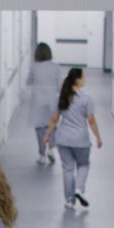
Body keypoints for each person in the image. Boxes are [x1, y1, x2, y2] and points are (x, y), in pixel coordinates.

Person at [43, 68, 102, 209]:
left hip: (63, 139)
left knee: (68, 169)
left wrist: (47, 135)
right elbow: (91, 120)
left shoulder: (60, 97)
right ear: (78, 80)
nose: (85, 79)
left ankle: (69, 200)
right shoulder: (86, 98)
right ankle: (79, 189)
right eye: (83, 77)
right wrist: (98, 137)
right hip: (80, 139)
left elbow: (54, 119)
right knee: (83, 165)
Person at [23, 43, 65, 166]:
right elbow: (60, 86)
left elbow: (28, 81)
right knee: (52, 126)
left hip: (38, 100)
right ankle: (51, 149)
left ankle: (42, 155)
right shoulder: (55, 67)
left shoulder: (34, 67)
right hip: (52, 99)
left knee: (39, 128)